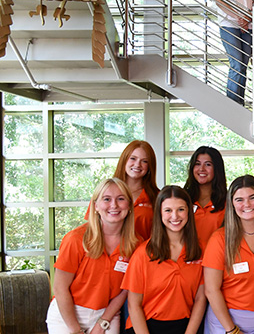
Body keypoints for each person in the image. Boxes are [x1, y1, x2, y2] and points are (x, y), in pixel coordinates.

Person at [47, 178, 138, 334]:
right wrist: (75, 330)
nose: (114, 205)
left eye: (121, 199)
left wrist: (102, 322)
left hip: (107, 313)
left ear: (129, 205)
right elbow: (60, 288)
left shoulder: (136, 244)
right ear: (95, 206)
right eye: (107, 199)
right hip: (68, 313)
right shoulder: (76, 239)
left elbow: (125, 290)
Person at [203, 175, 254, 334]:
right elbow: (211, 290)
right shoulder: (219, 239)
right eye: (239, 199)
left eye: (252, 197)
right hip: (225, 323)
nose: (247, 204)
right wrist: (232, 330)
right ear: (231, 204)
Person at [122, 186, 205, 333]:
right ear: (159, 213)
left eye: (180, 209)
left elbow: (200, 299)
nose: (175, 216)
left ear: (189, 212)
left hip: (187, 326)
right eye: (168, 210)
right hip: (147, 327)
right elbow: (134, 305)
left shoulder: (201, 250)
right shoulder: (143, 253)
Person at [213, 0, 254, 105]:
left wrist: (247, 18)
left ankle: (239, 102)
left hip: (248, 26)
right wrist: (237, 17)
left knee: (243, 65)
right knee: (237, 64)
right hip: (229, 25)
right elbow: (219, 0)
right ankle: (232, 103)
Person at [93, 140, 159, 241]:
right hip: (108, 254)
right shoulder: (104, 191)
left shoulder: (158, 197)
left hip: (145, 254)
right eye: (133, 158)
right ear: (124, 160)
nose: (137, 165)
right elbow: (91, 226)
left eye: (144, 161)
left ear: (150, 167)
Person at [184, 146, 227, 249]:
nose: (201, 169)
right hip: (188, 259)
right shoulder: (183, 199)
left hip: (217, 258)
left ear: (217, 169)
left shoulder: (228, 201)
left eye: (208, 164)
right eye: (197, 164)